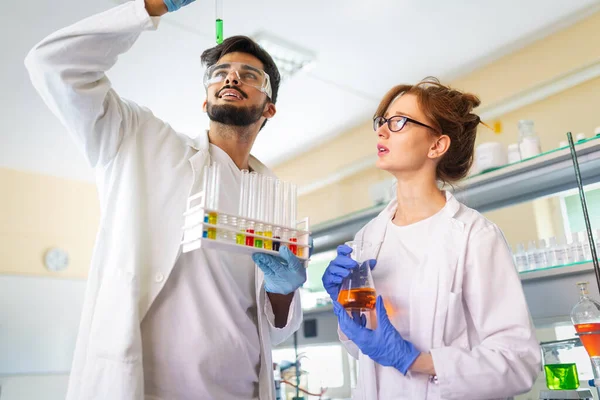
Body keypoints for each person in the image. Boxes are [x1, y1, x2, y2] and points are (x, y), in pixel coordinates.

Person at [25, 0, 308, 399]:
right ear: (206, 99)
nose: (231, 78)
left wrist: (285, 291)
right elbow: (51, 65)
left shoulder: (274, 199)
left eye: (249, 75)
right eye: (220, 73)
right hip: (146, 387)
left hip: (238, 387)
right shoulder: (138, 140)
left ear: (269, 108)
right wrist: (151, 6)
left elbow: (276, 329)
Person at [322, 78, 541, 399]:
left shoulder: (474, 236)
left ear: (436, 145)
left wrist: (414, 360)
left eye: (398, 122)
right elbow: (367, 350)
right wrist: (345, 306)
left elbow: (518, 361)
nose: (382, 131)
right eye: (382, 122)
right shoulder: (367, 237)